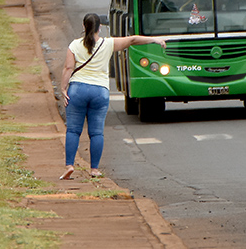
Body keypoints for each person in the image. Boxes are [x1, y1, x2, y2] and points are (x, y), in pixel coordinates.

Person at [59, 13, 166, 180]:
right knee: (96, 133)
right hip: (99, 92)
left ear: (83, 26)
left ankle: (69, 165)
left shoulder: (74, 45)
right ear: (99, 27)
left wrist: (63, 88)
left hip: (77, 91)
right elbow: (132, 40)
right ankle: (94, 169)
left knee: (73, 130)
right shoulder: (107, 44)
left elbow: (68, 68)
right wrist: (154, 40)